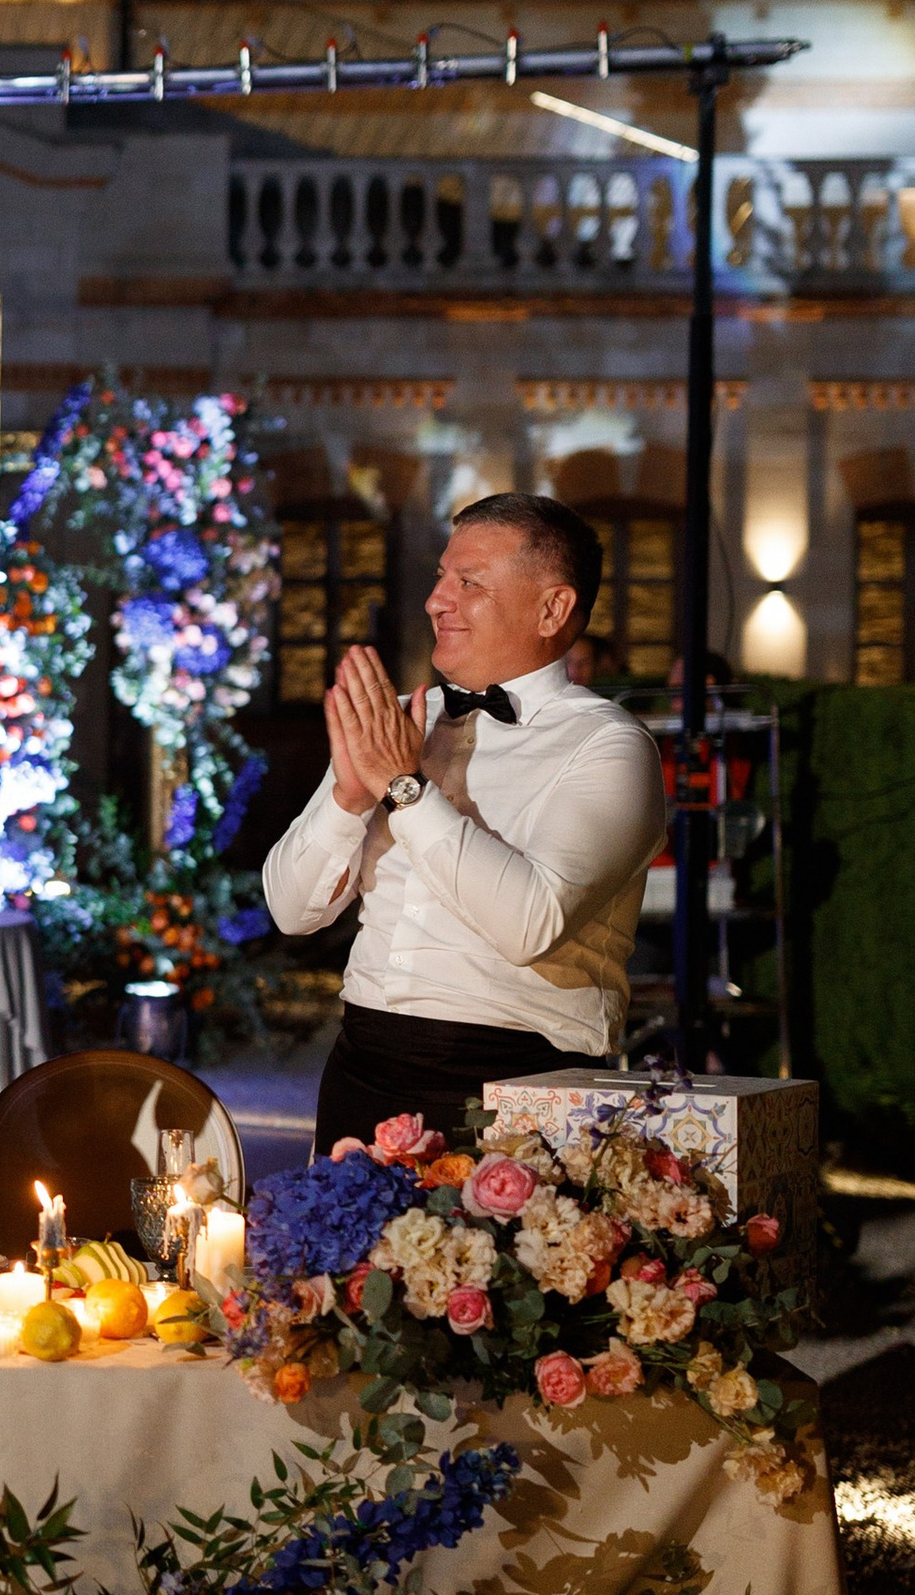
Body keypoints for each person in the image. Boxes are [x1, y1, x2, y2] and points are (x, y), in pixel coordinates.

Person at [262, 493, 668, 1155]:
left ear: (552, 609)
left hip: (516, 1083)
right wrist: (347, 792)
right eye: (441, 577)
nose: (437, 601)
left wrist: (405, 788)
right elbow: (289, 910)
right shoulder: (400, 722)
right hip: (360, 1066)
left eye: (468, 583)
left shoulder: (610, 748)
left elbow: (529, 924)